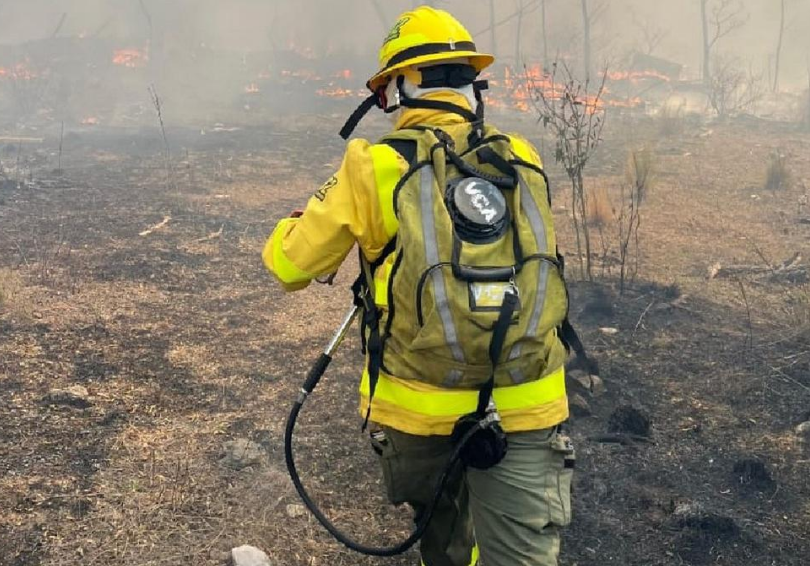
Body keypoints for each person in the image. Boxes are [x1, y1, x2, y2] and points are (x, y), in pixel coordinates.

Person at [264, 6, 577, 566]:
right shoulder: (519, 155)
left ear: (399, 88)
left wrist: (296, 223)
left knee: (445, 537)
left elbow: (289, 266)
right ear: (468, 84)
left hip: (420, 404)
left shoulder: (374, 165)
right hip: (528, 399)